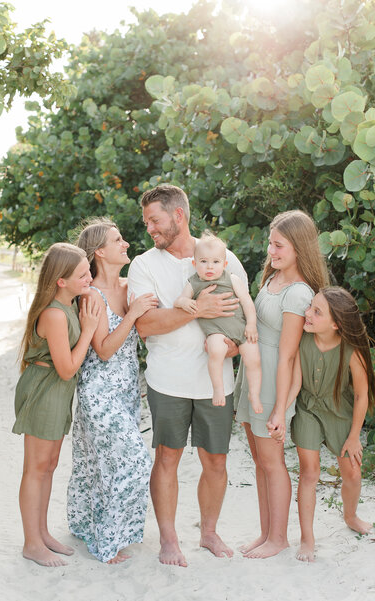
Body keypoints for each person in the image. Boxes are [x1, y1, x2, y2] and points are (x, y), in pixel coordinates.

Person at [127, 184, 248, 567]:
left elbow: (244, 317)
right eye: (147, 221)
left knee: (216, 460)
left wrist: (232, 346)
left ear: (178, 216)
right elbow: (144, 325)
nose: (149, 228)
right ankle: (168, 540)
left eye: (155, 220)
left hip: (216, 382)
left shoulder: (223, 257)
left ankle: (209, 533)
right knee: (167, 458)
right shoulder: (144, 265)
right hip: (167, 380)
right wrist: (199, 309)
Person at [234, 210, 329, 559]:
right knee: (259, 460)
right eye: (271, 243)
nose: (271, 251)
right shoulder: (271, 279)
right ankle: (266, 532)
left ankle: (279, 538)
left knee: (273, 462)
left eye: (279, 245)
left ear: (298, 247)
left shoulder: (299, 293)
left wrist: (279, 408)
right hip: (253, 375)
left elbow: (289, 356)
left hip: (275, 382)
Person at [67, 218, 158, 564]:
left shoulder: (129, 284)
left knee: (98, 463)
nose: (126, 244)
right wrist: (133, 314)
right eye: (117, 240)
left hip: (127, 392)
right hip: (99, 391)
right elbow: (103, 349)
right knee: (132, 462)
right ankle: (107, 542)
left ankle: (86, 524)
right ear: (99, 252)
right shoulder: (91, 295)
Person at [13, 242, 101, 567]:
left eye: (88, 271)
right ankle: (31, 543)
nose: (89, 277)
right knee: (36, 469)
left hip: (58, 391)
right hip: (45, 390)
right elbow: (66, 368)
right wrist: (89, 330)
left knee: (48, 466)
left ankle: (42, 534)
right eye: (82, 274)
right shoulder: (53, 313)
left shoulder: (70, 305)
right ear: (61, 281)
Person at [283, 287, 374, 562]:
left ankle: (351, 515)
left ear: (336, 324)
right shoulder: (302, 340)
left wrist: (354, 436)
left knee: (353, 474)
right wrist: (281, 413)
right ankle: (307, 538)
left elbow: (361, 395)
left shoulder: (352, 351)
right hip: (309, 410)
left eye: (316, 311)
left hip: (342, 415)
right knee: (309, 473)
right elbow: (296, 382)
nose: (307, 313)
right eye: (310, 306)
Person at [174, 231, 262, 412]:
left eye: (215, 262)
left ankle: (254, 394)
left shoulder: (232, 279)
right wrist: (186, 302)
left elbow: (247, 302)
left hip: (241, 329)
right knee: (215, 351)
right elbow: (179, 300)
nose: (209, 267)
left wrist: (251, 324)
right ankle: (218, 389)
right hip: (217, 332)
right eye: (203, 262)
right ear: (194, 263)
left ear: (225, 264)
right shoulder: (194, 283)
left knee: (254, 360)